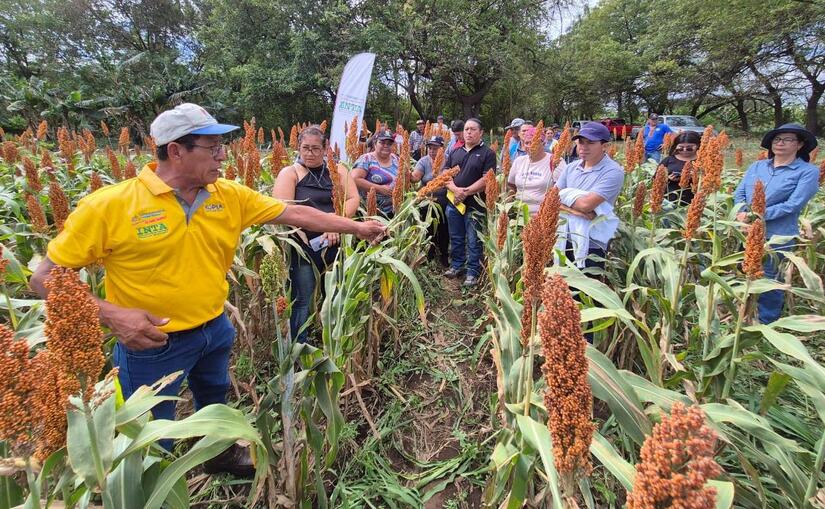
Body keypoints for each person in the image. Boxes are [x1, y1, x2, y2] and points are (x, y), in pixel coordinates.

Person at [29, 103, 385, 476]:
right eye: (211, 147)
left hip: (214, 329)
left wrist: (358, 228)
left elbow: (294, 213)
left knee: (215, 401)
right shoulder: (109, 206)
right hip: (152, 343)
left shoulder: (228, 195)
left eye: (223, 146)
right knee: (149, 437)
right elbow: (44, 278)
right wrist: (113, 315)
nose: (222, 155)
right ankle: (156, 488)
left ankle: (218, 455)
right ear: (175, 150)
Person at [272, 126, 360, 344]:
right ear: (298, 148)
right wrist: (324, 226)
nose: (310, 153)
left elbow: (352, 199)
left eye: (315, 149)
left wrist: (334, 225)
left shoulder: (338, 170)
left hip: (336, 245)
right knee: (302, 299)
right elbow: (283, 211)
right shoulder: (290, 173)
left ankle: (331, 339)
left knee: (335, 294)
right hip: (304, 250)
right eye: (305, 148)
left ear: (325, 149)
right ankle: (298, 346)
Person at [733, 123, 819, 324]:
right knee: (745, 272)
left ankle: (766, 322)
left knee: (770, 279)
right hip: (746, 230)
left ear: (799, 145)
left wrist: (757, 215)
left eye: (787, 139)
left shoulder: (807, 171)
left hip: (777, 234)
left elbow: (793, 205)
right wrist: (740, 213)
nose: (780, 143)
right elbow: (740, 193)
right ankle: (743, 315)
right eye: (776, 139)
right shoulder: (757, 166)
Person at [554, 122, 624, 270]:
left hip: (593, 245)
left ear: (605, 146)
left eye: (590, 142)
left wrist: (566, 200)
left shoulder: (613, 171)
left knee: (586, 289)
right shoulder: (571, 167)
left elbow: (586, 205)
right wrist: (575, 211)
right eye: (580, 142)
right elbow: (551, 199)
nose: (583, 147)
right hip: (565, 238)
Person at [444, 118, 497, 286]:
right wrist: (455, 190)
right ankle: (457, 265)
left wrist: (465, 192)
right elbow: (445, 173)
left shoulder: (487, 153)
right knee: (456, 237)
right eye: (466, 129)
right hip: (454, 203)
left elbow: (486, 179)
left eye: (472, 129)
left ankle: (472, 272)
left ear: (481, 132)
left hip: (475, 205)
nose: (468, 132)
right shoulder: (455, 151)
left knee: (474, 239)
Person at [507, 125, 561, 216]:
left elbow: (560, 190)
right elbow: (511, 185)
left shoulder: (555, 161)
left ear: (543, 143)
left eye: (533, 142)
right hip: (519, 217)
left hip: (544, 217)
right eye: (526, 143)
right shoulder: (519, 161)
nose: (530, 146)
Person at [413, 136, 449, 266]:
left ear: (442, 149)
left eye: (435, 148)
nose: (432, 151)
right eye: (430, 148)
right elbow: (416, 177)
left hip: (444, 200)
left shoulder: (448, 161)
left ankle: (444, 256)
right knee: (428, 228)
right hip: (427, 201)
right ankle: (429, 254)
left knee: (444, 229)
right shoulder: (423, 161)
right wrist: (407, 174)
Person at [352, 129, 400, 216]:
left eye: (389, 144)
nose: (386, 146)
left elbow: (407, 177)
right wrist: (379, 189)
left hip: (392, 211)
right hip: (368, 211)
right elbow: (354, 179)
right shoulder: (366, 159)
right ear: (375, 143)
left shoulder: (396, 159)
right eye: (382, 142)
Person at [658, 131, 701, 205]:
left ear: (697, 145)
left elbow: (710, 180)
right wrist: (667, 178)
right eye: (681, 148)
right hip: (669, 202)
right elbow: (656, 178)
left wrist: (695, 176)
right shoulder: (668, 160)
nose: (684, 150)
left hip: (693, 202)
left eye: (689, 148)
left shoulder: (703, 161)